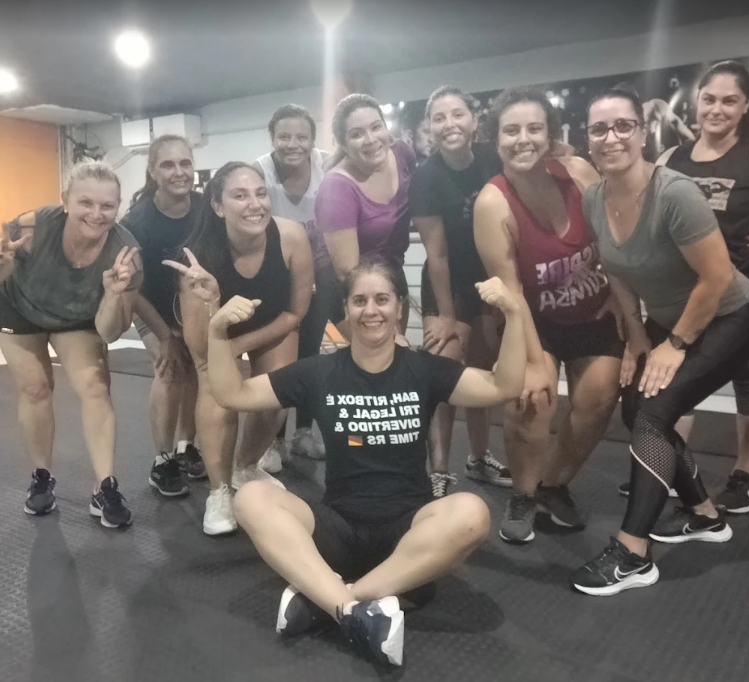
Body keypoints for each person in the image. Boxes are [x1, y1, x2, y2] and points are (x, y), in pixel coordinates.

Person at [207, 257, 525, 666]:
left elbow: (505, 386)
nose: (370, 310)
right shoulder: (319, 372)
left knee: (473, 513)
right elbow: (232, 395)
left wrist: (514, 314)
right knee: (251, 497)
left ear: (399, 307)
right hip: (338, 531)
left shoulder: (425, 370)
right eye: (359, 300)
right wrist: (217, 332)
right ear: (345, 309)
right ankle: (360, 610)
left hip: (408, 540)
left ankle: (331, 601)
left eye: (381, 299)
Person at [571, 87, 749, 596]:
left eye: (623, 126)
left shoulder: (674, 193)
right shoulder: (594, 198)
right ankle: (704, 514)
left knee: (653, 413)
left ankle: (633, 553)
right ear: (587, 138)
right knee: (637, 410)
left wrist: (674, 345)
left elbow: (716, 278)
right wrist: (637, 335)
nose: (611, 137)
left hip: (729, 316)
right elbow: (615, 269)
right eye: (598, 129)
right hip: (667, 322)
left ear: (642, 132)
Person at [655, 61, 749, 514]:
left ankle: (745, 478)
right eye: (709, 99)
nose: (717, 109)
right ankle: (668, 467)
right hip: (700, 287)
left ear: (745, 106)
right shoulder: (671, 159)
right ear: (696, 101)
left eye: (729, 101)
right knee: (675, 374)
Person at [474, 85, 623, 543]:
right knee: (530, 401)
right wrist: (537, 362)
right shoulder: (493, 203)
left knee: (598, 401)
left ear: (550, 134)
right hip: (534, 321)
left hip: (594, 313)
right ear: (496, 139)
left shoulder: (578, 172)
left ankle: (552, 486)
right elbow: (512, 293)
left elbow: (615, 241)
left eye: (534, 128)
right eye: (511, 130)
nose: (523, 139)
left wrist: (623, 299)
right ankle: (522, 493)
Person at [163, 161, 313, 536]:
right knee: (216, 391)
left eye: (260, 193)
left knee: (277, 392)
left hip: (271, 324)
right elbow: (200, 347)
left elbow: (296, 312)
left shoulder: (291, 236)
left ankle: (245, 467)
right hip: (216, 333)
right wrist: (214, 302)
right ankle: (219, 491)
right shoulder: (198, 256)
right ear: (218, 206)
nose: (254, 204)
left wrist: (240, 345)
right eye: (240, 195)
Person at [0, 159, 142, 529]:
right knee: (35, 387)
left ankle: (105, 487)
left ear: (118, 206)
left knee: (95, 387)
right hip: (18, 307)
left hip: (78, 316)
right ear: (66, 200)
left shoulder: (126, 254)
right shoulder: (30, 227)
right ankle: (41, 478)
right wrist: (3, 268)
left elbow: (110, 332)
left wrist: (114, 293)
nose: (96, 214)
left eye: (107, 205)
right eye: (85, 202)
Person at [410, 85, 510, 498]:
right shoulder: (426, 178)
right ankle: (438, 470)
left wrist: (503, 296)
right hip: (445, 283)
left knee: (481, 375)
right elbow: (437, 254)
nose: (449, 124)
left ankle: (479, 458)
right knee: (445, 373)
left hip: (487, 282)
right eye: (439, 118)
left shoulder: (493, 158)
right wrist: (448, 317)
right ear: (429, 127)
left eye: (457, 114)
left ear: (474, 120)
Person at [121, 134, 204, 498]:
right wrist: (166, 336)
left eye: (185, 163)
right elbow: (133, 289)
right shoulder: (137, 221)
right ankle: (162, 460)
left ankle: (186, 446)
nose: (178, 171)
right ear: (153, 171)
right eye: (168, 165)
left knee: (195, 370)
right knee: (169, 371)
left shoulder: (205, 208)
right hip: (150, 305)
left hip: (191, 307)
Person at [253, 104, 332, 468]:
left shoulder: (327, 165)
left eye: (301, 137)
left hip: (320, 275)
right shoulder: (259, 171)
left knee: (311, 356)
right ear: (272, 139)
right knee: (278, 362)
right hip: (278, 278)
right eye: (284, 136)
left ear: (312, 140)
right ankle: (271, 441)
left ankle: (302, 433)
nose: (292, 144)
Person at [315, 93, 416, 344]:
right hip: (348, 285)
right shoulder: (336, 188)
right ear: (343, 143)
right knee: (382, 350)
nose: (371, 139)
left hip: (391, 270)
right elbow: (347, 273)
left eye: (376, 127)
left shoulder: (402, 153)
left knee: (397, 355)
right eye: (357, 134)